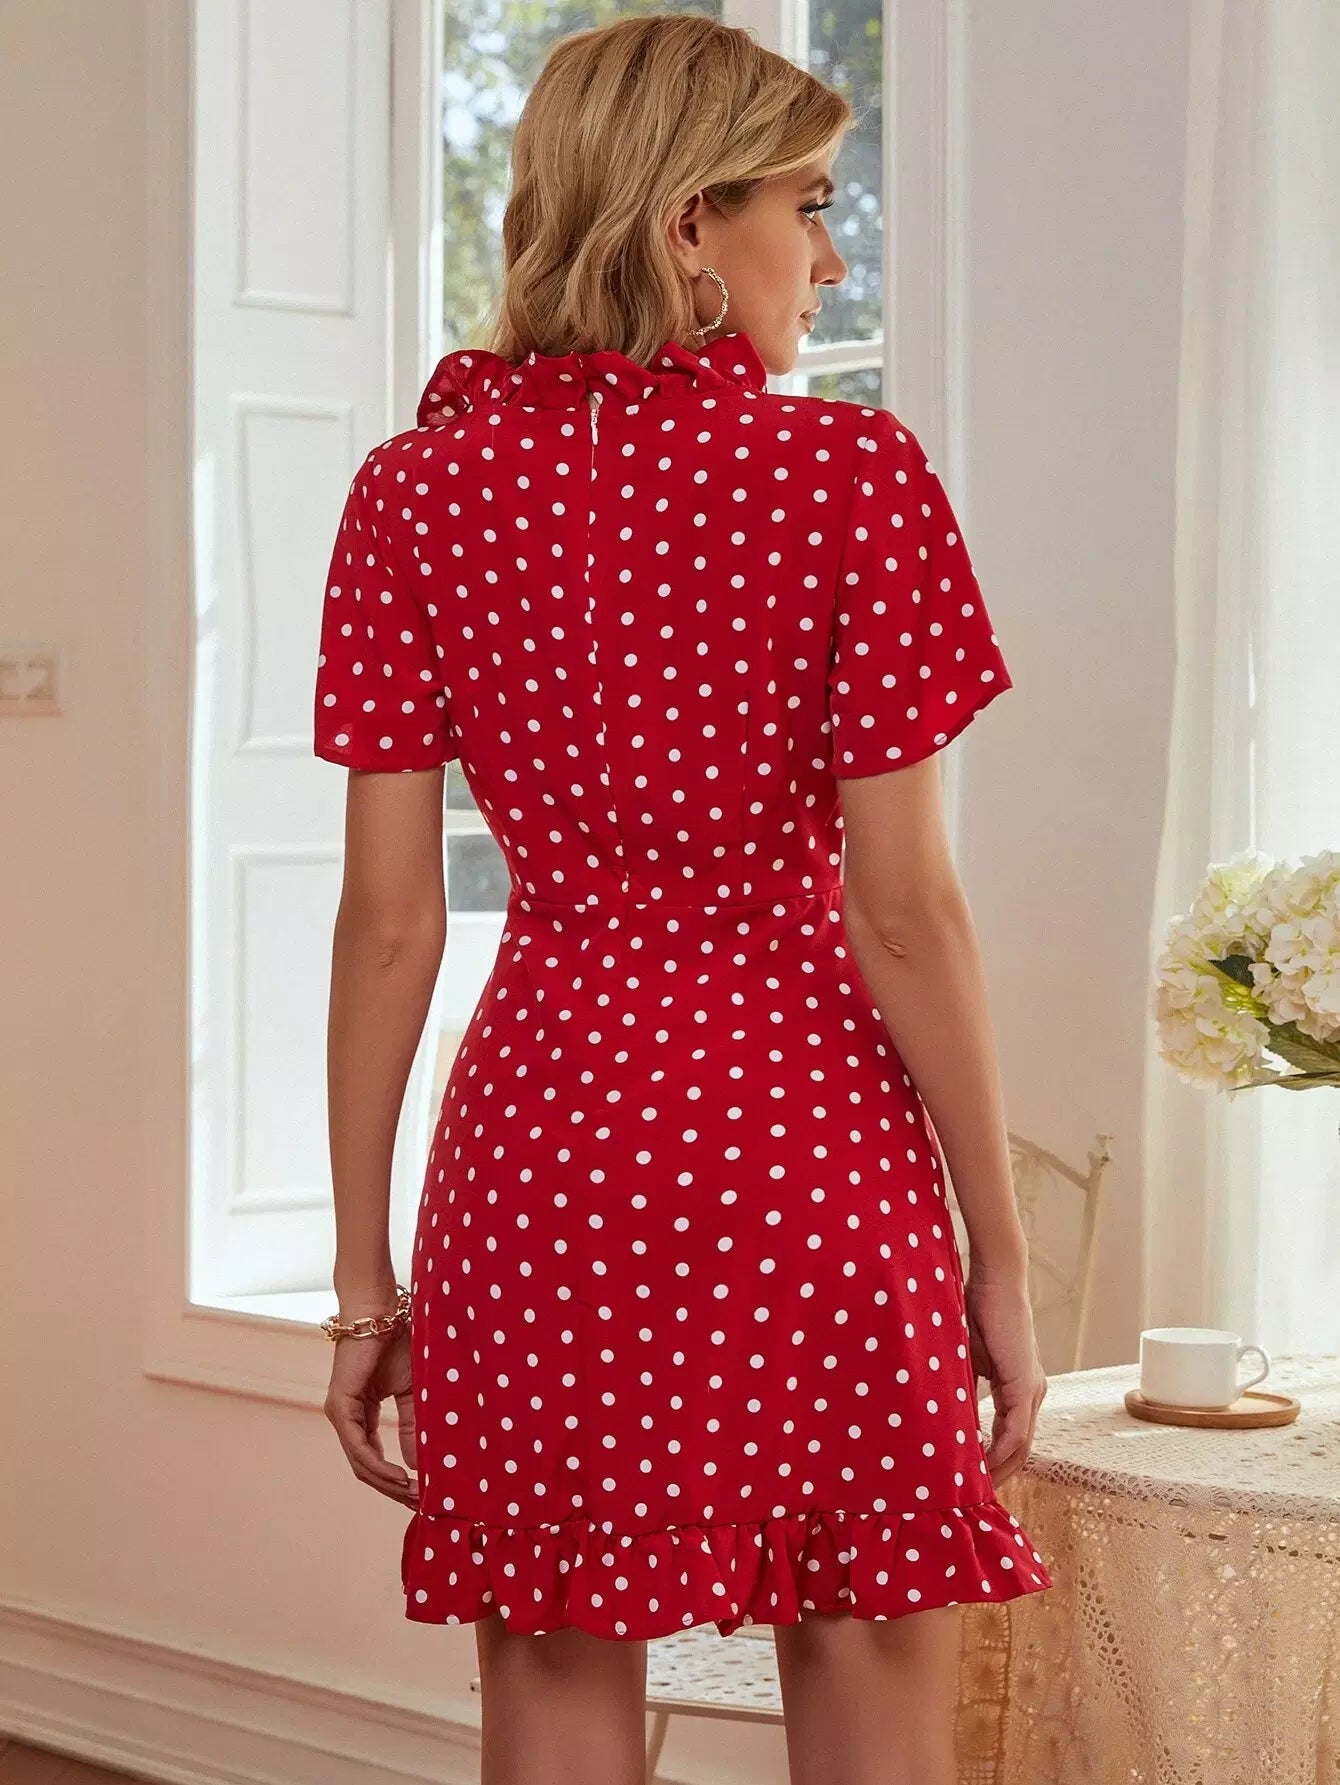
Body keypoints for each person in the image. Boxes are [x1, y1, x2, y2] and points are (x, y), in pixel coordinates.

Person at [313, 13, 1051, 1784]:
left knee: (558, 1690)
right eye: (812, 204)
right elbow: (904, 912)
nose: (830, 257)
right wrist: (999, 1250)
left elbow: (391, 924)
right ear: (690, 226)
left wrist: (362, 1281)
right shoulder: (850, 476)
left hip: (547, 1149)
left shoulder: (417, 492)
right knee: (868, 1661)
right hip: (805, 1140)